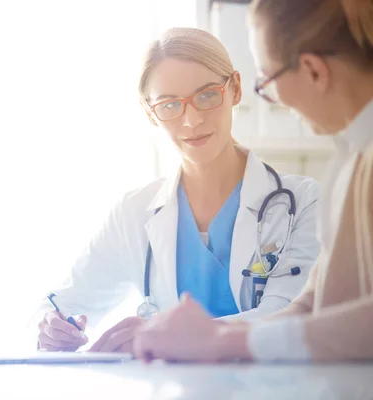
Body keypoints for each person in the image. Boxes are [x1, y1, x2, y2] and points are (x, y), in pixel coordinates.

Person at [35, 28, 320, 353]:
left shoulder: (303, 202)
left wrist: (165, 334)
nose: (191, 120)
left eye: (208, 95)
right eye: (170, 105)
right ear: (150, 113)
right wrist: (51, 326)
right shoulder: (133, 212)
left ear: (235, 89)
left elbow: (290, 317)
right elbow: (63, 304)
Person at [132, 0, 373, 363]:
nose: (191, 120)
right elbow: (313, 303)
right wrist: (201, 336)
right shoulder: (354, 157)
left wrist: (223, 343)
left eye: (267, 82)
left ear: (313, 71)